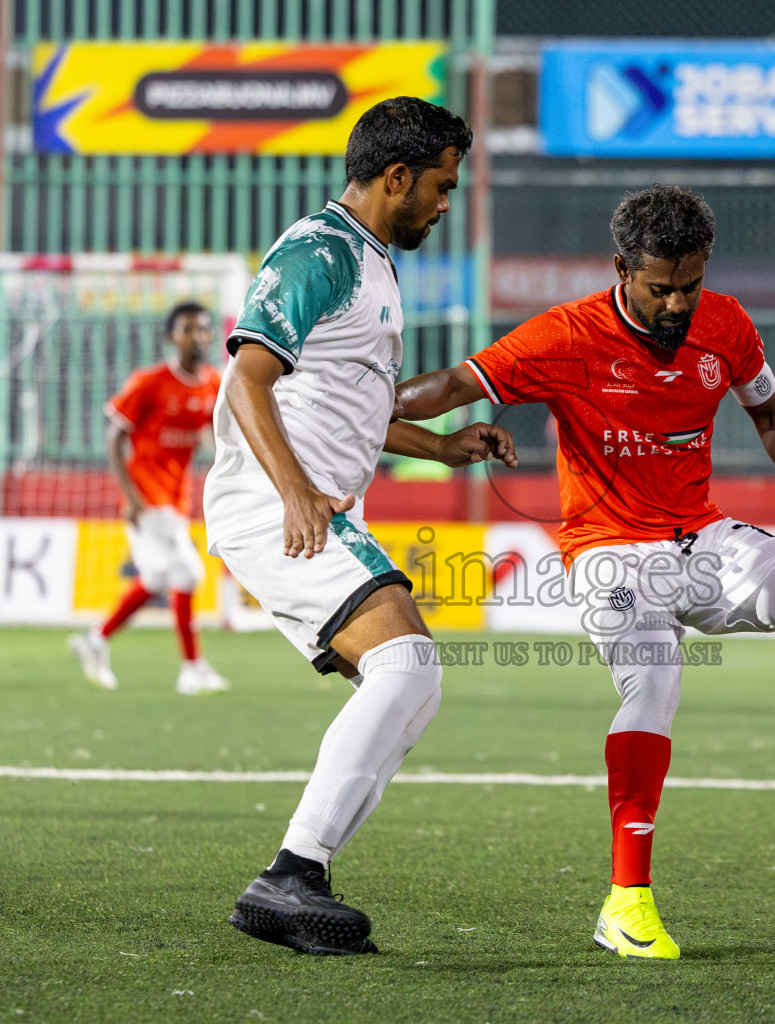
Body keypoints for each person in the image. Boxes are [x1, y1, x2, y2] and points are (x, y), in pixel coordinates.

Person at [395, 184, 775, 960]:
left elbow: (770, 414)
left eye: (689, 286)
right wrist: (366, 409)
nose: (676, 304)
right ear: (622, 269)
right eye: (660, 288)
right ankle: (626, 903)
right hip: (605, 548)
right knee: (656, 676)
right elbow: (450, 388)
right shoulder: (562, 336)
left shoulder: (726, 324)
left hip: (700, 536)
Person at [204, 97, 515, 956]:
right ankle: (292, 875)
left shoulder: (371, 264)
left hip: (309, 500)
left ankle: (303, 875)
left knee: (413, 686)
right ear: (397, 177)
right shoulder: (320, 251)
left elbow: (344, 404)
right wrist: (299, 492)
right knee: (408, 662)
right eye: (442, 187)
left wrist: (440, 446)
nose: (446, 204)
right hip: (278, 502)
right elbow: (248, 380)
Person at [67, 302, 230, 695]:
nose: (199, 336)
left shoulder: (212, 383)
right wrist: (131, 497)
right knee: (188, 573)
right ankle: (192, 669)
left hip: (177, 498)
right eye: (188, 329)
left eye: (204, 329)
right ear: (171, 337)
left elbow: (215, 436)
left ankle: (95, 637)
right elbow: (114, 437)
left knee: (158, 576)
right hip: (146, 495)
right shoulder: (150, 382)